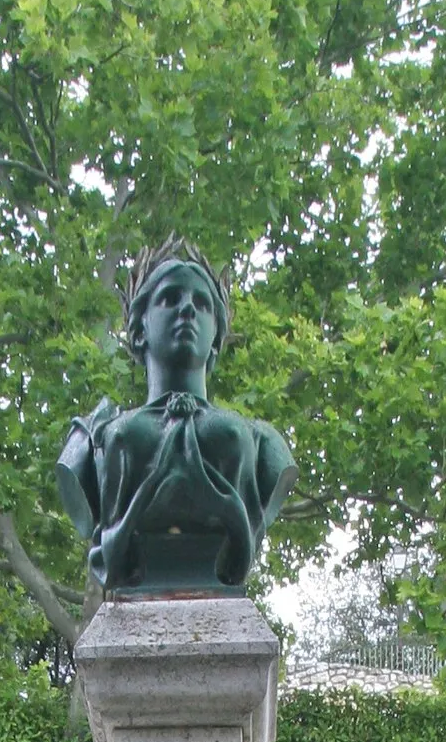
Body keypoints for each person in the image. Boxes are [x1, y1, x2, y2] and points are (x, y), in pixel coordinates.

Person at [57, 240, 296, 594]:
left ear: (216, 339)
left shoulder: (261, 442)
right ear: (139, 330)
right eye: (170, 298)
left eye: (201, 304)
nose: (187, 309)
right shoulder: (96, 436)